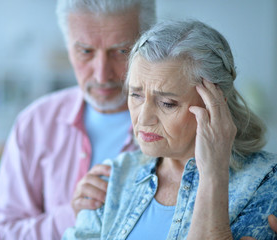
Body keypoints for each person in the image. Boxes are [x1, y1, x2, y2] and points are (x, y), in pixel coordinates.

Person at [63, 20, 277, 239]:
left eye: (167, 103)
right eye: (136, 95)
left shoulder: (267, 182)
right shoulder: (113, 177)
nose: (143, 118)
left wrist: (213, 175)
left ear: (214, 103)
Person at [0, 0, 156, 239]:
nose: (102, 74)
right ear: (68, 47)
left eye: (121, 51)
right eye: (86, 51)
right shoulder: (35, 124)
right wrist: (72, 215)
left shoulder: (178, 125)